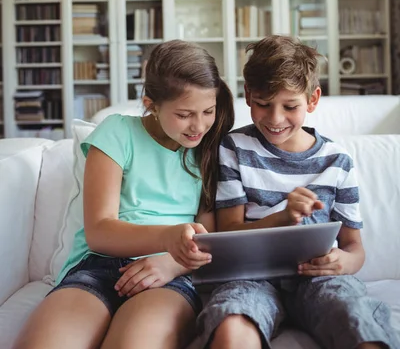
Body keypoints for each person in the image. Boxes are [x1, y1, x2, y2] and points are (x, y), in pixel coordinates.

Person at [14, 39, 234, 349]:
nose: (198, 126)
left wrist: (171, 262)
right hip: (99, 268)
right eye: (184, 114)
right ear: (151, 105)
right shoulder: (118, 132)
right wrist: (168, 237)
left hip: (169, 274)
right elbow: (100, 231)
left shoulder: (209, 149)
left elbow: (208, 238)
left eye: (208, 111)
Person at [194, 35, 399, 349]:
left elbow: (354, 248)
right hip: (250, 278)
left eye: (290, 106)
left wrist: (342, 262)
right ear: (248, 95)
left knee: (355, 314)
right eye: (263, 104)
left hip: (319, 278)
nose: (275, 119)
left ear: (313, 100)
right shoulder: (234, 149)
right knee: (233, 321)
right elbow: (229, 232)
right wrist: (283, 217)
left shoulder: (337, 161)